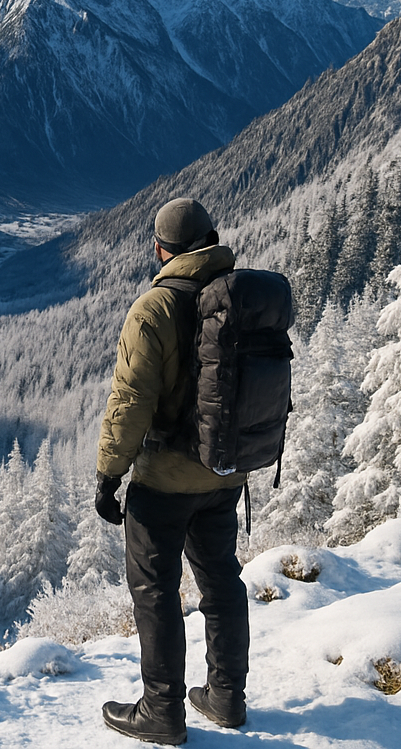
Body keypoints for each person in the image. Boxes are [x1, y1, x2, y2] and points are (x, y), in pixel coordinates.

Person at [96, 197, 249, 745]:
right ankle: (227, 697)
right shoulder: (238, 298)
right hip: (225, 472)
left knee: (156, 589)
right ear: (210, 239)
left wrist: (109, 476)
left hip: (163, 481)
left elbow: (130, 400)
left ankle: (162, 711)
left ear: (161, 249)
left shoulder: (153, 308)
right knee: (220, 580)